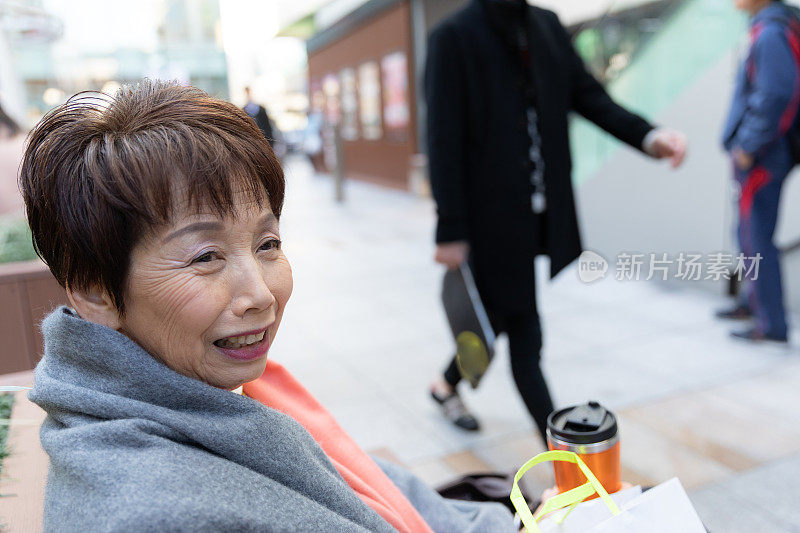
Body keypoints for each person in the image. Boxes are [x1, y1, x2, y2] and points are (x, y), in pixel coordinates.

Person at [23, 81, 515, 532]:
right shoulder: (152, 512)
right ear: (94, 292)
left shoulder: (205, 389)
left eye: (267, 244)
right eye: (206, 256)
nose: (260, 293)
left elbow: (374, 487)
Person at [425, 0, 687, 437]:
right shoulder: (453, 36)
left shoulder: (544, 25)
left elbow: (588, 95)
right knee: (525, 334)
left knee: (495, 319)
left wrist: (648, 135)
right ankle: (566, 453)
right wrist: (449, 226)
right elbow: (442, 137)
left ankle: (444, 384)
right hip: (487, 220)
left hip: (540, 212)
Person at [717, 0, 799, 342]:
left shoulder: (771, 32)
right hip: (768, 152)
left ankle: (770, 323)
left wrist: (749, 147)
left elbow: (777, 93)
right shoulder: (776, 25)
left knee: (756, 236)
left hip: (765, 155)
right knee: (748, 233)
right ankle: (754, 303)